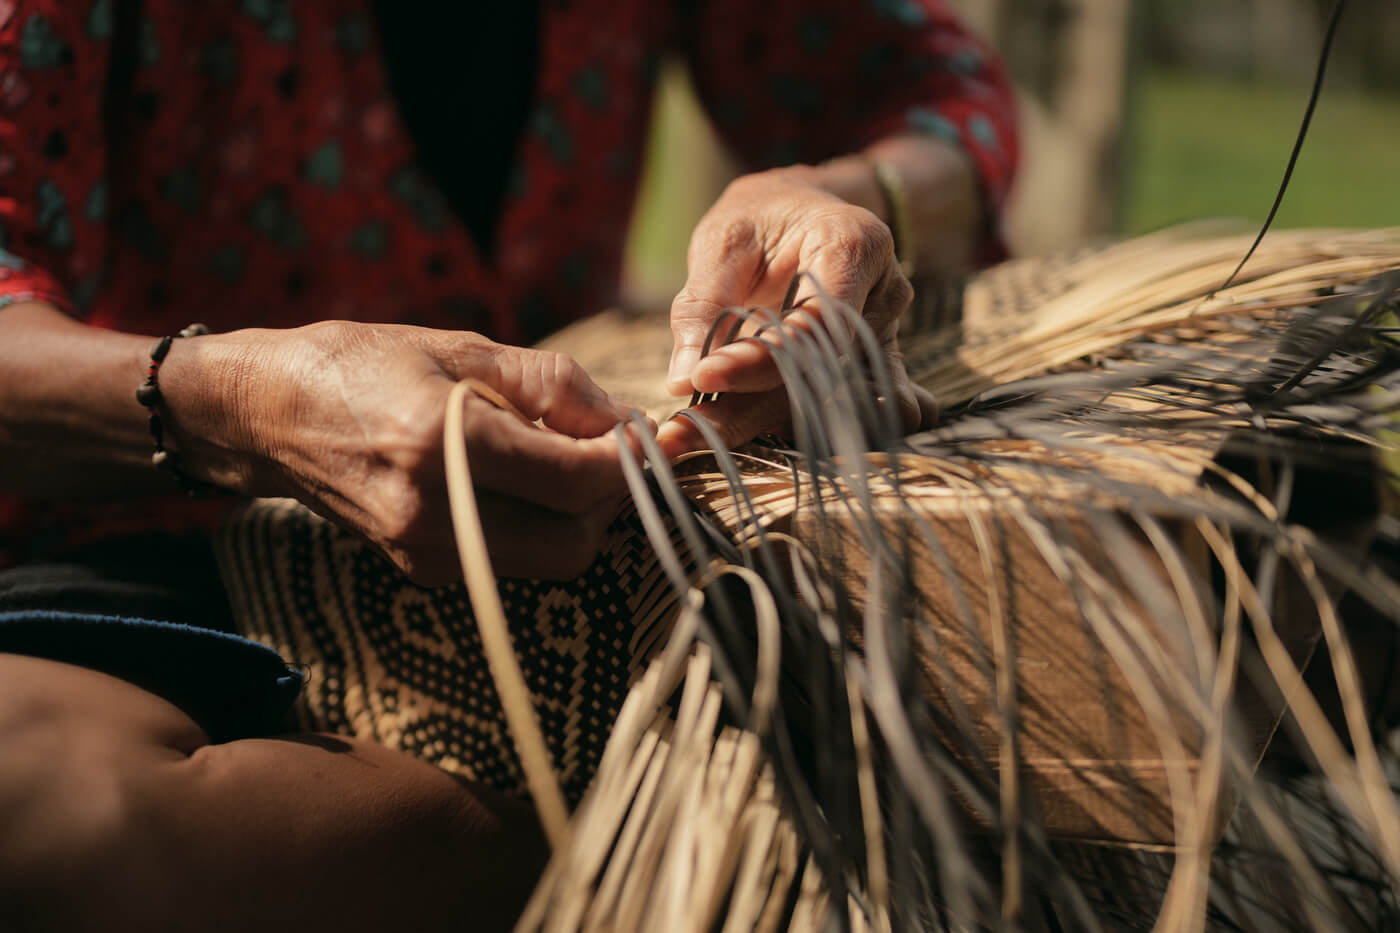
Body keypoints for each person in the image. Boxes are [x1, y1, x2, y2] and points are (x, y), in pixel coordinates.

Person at [0, 1, 1017, 929]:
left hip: (573, 536)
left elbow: (931, 92)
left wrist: (833, 197)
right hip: (123, 528)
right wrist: (239, 406)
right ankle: (722, 826)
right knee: (67, 820)